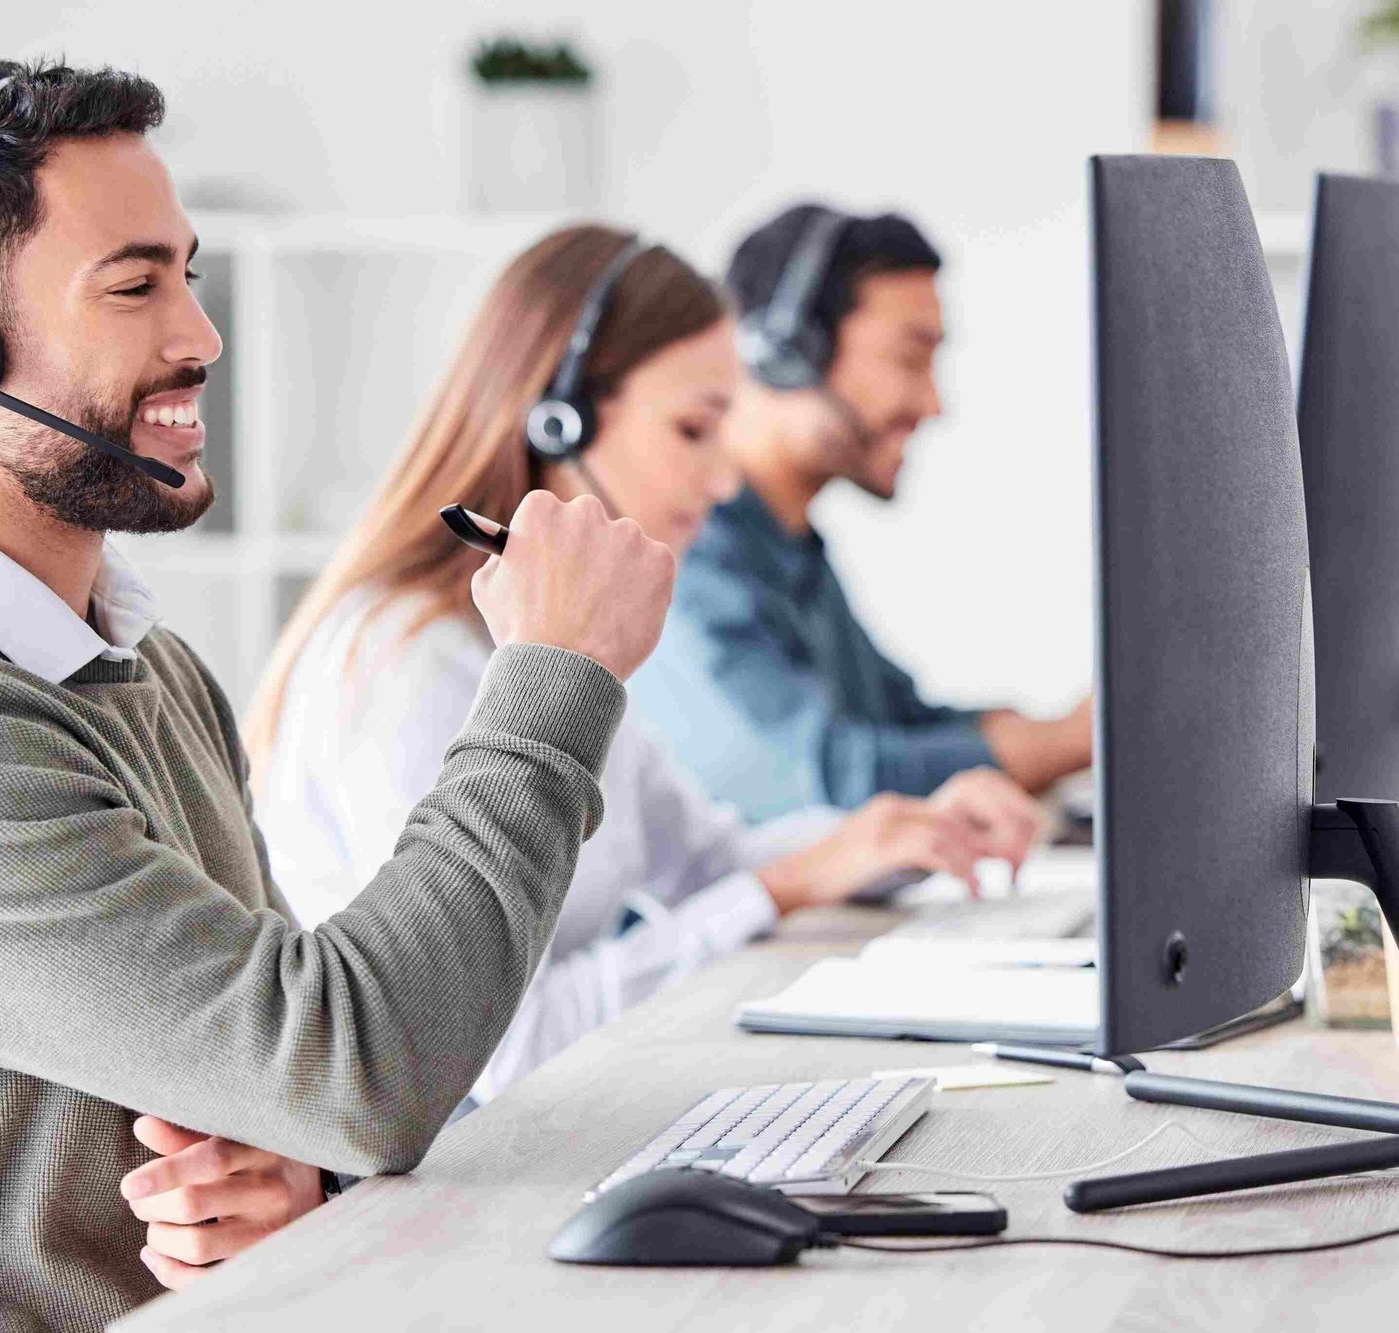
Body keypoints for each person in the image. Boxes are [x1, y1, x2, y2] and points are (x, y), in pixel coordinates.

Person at [0, 57, 677, 1330]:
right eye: (134, 285)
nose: (201, 338)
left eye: (190, 274)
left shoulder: (133, 662)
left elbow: (295, 1078)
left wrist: (295, 1173)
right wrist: (555, 675)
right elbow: (356, 1062)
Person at [240, 225, 1043, 1113]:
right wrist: (781, 886)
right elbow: (505, 1049)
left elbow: (703, 860)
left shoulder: (569, 635)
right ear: (559, 419)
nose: (725, 480)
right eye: (694, 428)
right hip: (447, 1173)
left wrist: (897, 836)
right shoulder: (409, 662)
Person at [635, 202, 1093, 822]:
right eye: (910, 358)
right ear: (790, 349)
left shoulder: (790, 548)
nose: (933, 403)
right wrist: (1077, 739)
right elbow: (828, 780)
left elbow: (901, 719)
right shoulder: (688, 553)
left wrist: (1069, 726)